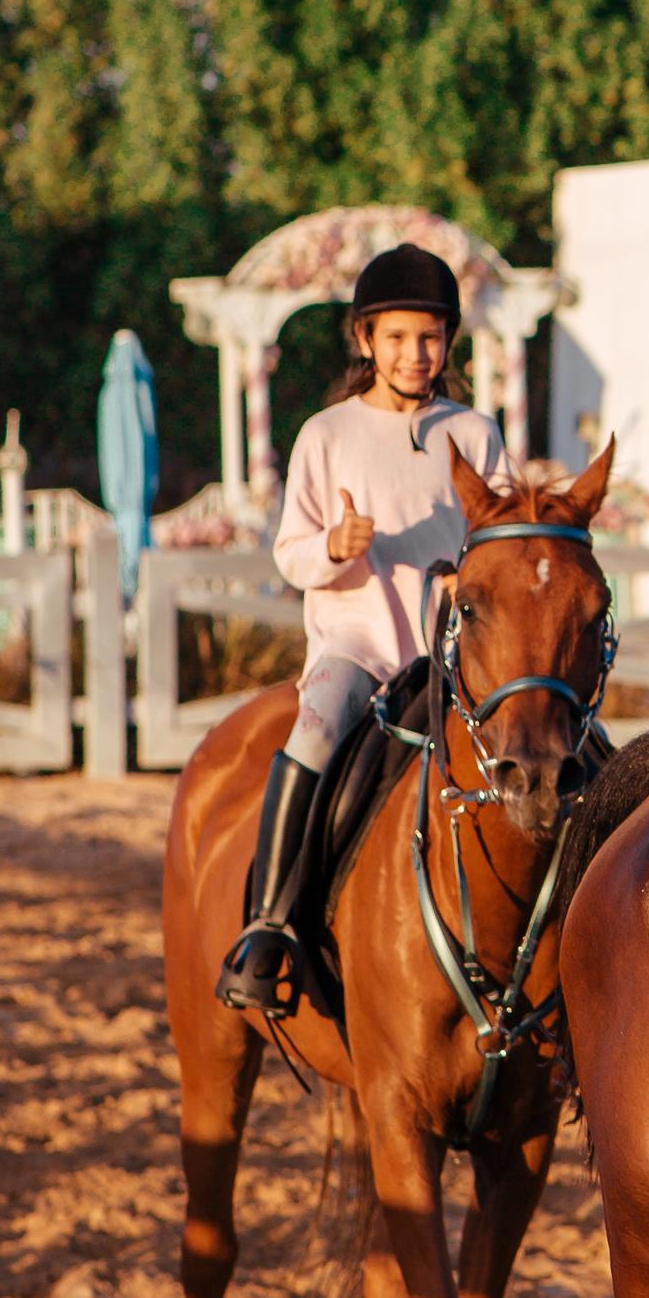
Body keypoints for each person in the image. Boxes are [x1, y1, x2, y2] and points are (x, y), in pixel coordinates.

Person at [215, 244, 511, 1015]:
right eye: (399, 337)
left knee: (555, 746)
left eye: (432, 337)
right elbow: (288, 553)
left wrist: (469, 572)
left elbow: (505, 540)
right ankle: (269, 927)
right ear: (364, 339)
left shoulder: (475, 434)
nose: (417, 354)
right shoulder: (326, 435)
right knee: (310, 734)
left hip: (454, 657)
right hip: (358, 649)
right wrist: (335, 548)